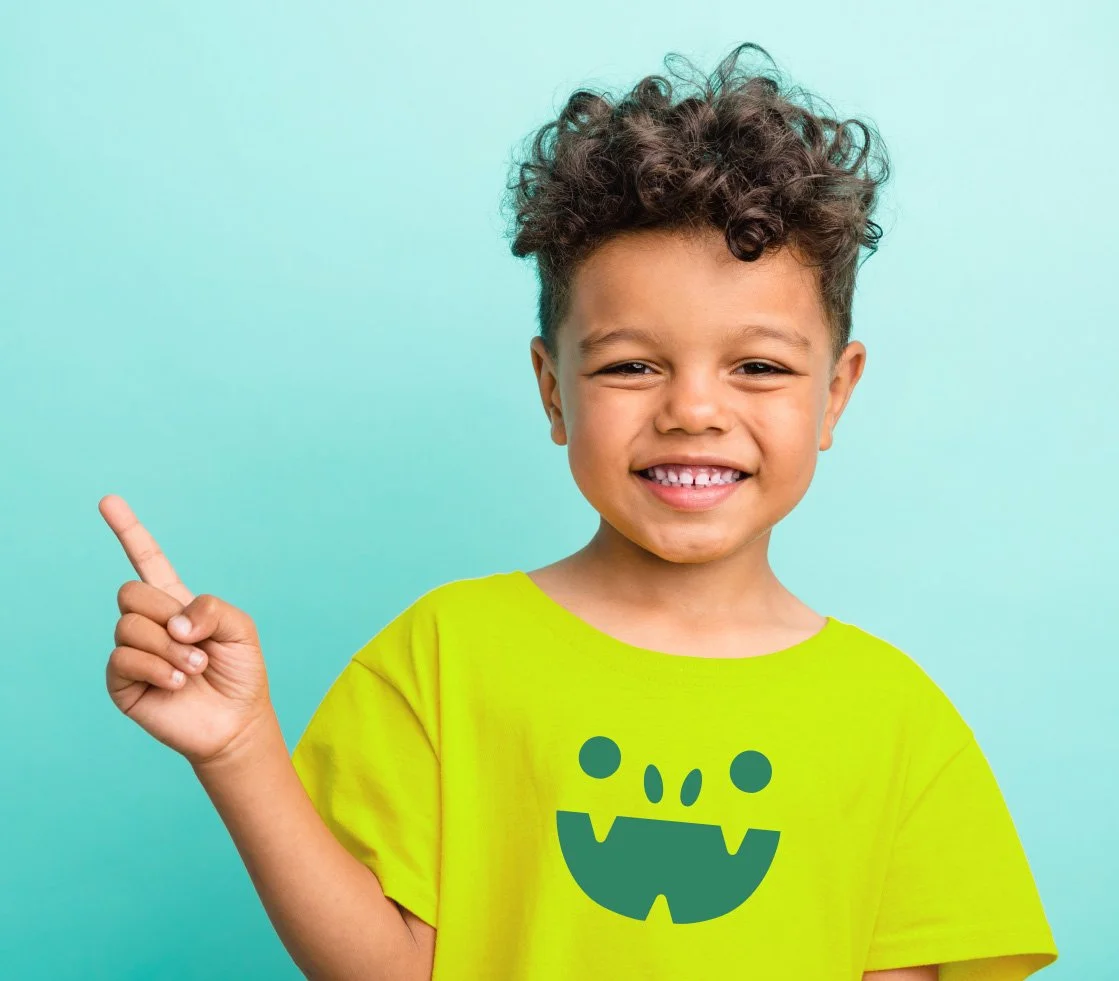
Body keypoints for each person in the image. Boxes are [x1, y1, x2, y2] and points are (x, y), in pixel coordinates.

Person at [100, 41, 1058, 981]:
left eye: (757, 366)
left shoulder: (899, 722)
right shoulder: (444, 657)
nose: (691, 409)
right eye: (630, 365)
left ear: (835, 393)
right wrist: (238, 748)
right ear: (553, 390)